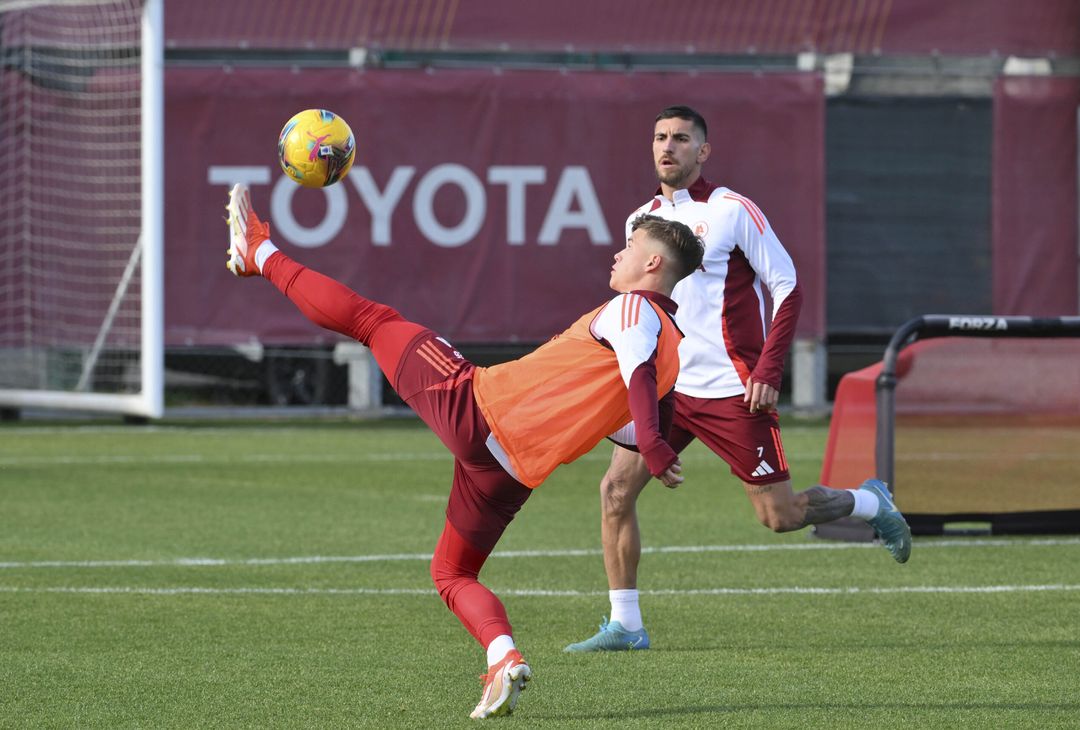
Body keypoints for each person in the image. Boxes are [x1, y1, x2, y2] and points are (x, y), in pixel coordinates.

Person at [223, 183, 704, 719]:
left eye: (630, 245)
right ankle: (503, 658)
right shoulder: (674, 353)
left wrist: (657, 445)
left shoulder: (632, 309)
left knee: (373, 320)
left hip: (474, 408)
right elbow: (633, 419)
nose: (619, 252)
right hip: (508, 473)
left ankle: (259, 251)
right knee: (452, 574)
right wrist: (655, 442)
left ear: (653, 262)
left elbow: (638, 383)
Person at [564, 105, 911, 653]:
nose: (668, 146)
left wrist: (770, 368)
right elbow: (636, 306)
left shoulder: (732, 210)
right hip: (668, 389)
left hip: (734, 388)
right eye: (660, 137)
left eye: (681, 138)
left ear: (702, 151)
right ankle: (625, 625)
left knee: (781, 516)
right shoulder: (639, 221)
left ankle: (871, 504)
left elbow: (787, 285)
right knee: (614, 490)